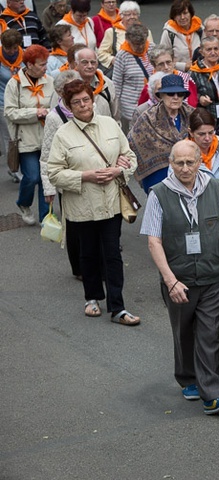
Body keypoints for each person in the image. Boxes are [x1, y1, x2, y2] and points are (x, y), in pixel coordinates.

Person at [140, 139, 219, 415]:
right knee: (183, 330)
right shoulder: (158, 194)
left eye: (190, 162)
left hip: (212, 275)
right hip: (178, 277)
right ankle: (186, 377)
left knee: (208, 333)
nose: (185, 168)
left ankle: (214, 394)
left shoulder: (216, 189)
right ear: (171, 164)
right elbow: (153, 241)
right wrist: (170, 280)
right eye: (179, 163)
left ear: (199, 162)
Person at [47, 79, 140, 326]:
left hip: (111, 203)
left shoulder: (110, 125)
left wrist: (119, 171)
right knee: (88, 254)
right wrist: (85, 176)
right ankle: (92, 299)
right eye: (75, 102)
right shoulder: (63, 134)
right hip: (81, 205)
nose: (82, 105)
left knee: (112, 254)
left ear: (93, 100)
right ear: (69, 106)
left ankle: (118, 308)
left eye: (86, 99)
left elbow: (129, 156)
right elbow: (54, 173)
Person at [40, 70, 83, 278]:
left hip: (92, 175)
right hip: (67, 180)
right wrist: (49, 188)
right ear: (59, 92)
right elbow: (46, 156)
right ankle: (79, 268)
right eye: (69, 89)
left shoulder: (89, 109)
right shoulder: (54, 118)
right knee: (74, 226)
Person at [5, 44, 53, 225]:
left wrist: (50, 112)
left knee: (45, 179)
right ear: (30, 65)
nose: (45, 68)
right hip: (25, 139)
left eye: (46, 63)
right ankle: (23, 203)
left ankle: (45, 217)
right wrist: (35, 113)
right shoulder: (15, 84)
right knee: (32, 176)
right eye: (41, 64)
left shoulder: (49, 81)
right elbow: (10, 112)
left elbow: (56, 107)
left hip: (47, 137)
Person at [128, 73, 193, 194]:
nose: (176, 97)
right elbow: (132, 142)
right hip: (157, 175)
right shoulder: (148, 118)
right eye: (170, 93)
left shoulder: (192, 114)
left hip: (187, 172)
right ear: (161, 95)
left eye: (180, 94)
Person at [112, 23, 152, 131]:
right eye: (135, 44)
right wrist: (117, 110)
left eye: (142, 43)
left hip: (151, 104)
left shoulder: (151, 49)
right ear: (128, 41)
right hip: (130, 108)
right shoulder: (122, 55)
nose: (139, 47)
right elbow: (116, 84)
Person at [97, 2, 154, 77]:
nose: (132, 17)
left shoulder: (146, 32)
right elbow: (101, 53)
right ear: (121, 16)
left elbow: (152, 52)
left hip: (142, 72)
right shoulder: (112, 32)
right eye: (128, 14)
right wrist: (113, 60)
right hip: (120, 73)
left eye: (135, 14)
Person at [0, 29, 24, 183]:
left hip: (22, 101)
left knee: (21, 136)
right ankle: (15, 170)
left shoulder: (25, 55)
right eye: (8, 48)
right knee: (10, 137)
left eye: (14, 48)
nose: (12, 51)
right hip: (2, 102)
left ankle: (16, 167)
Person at [70, 46, 119, 119]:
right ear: (76, 64)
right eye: (85, 62)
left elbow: (115, 114)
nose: (90, 66)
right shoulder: (68, 85)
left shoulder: (107, 83)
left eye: (93, 62)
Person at [159, 0, 201, 73]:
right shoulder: (169, 33)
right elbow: (162, 60)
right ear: (174, 17)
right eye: (178, 14)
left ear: (191, 14)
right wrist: (184, 66)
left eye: (185, 13)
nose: (182, 17)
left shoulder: (200, 30)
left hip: (200, 74)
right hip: (178, 76)